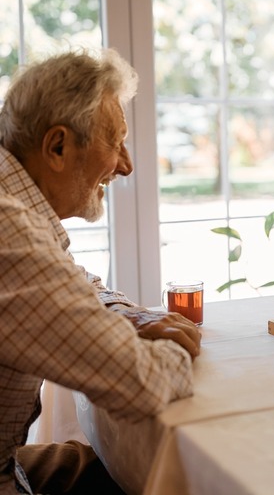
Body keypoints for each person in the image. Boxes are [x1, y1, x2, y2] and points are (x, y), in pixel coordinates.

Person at [0, 49, 201, 494]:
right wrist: (180, 352)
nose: (126, 165)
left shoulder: (13, 203)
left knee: (117, 467)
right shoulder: (7, 229)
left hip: (12, 459)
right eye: (116, 142)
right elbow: (141, 382)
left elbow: (68, 278)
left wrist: (124, 314)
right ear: (57, 147)